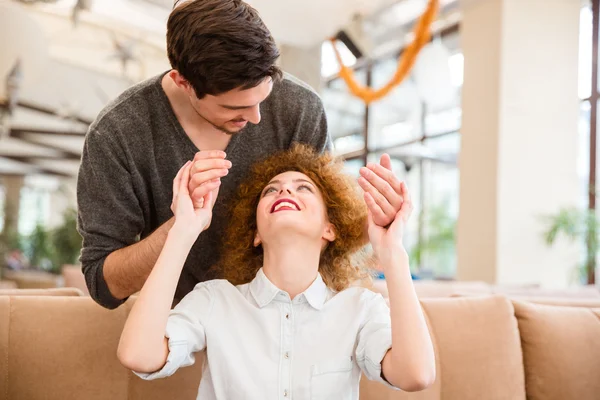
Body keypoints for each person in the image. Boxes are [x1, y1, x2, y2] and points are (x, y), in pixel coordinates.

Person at [77, 0, 404, 309]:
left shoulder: (299, 108)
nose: (257, 118)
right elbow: (105, 286)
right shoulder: (118, 134)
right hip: (181, 328)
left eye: (263, 96)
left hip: (283, 321)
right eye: (234, 108)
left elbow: (323, 234)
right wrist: (181, 228)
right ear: (183, 82)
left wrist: (376, 222)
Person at [117, 145, 436, 399]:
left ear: (329, 229)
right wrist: (184, 230)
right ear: (256, 232)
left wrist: (392, 251)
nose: (285, 192)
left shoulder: (360, 308)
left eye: (303, 188)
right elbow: (139, 355)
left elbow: (416, 375)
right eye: (271, 190)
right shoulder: (215, 300)